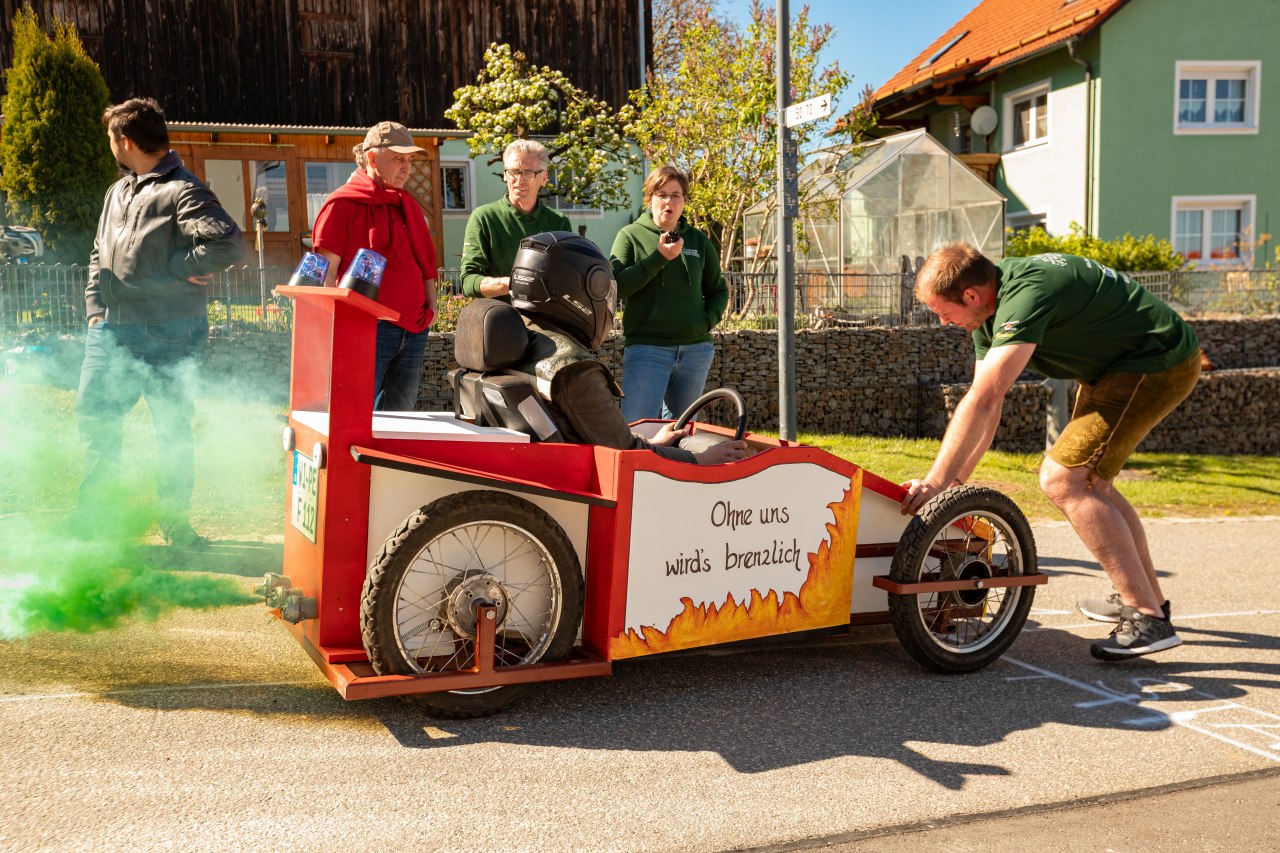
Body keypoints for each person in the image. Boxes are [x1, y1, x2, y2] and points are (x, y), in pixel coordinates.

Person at [901, 242, 1201, 661]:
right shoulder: (990, 311)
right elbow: (988, 403)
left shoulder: (1027, 295)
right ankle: (1147, 598)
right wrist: (953, 486)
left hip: (1155, 362)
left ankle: (1147, 617)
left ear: (971, 295)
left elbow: (984, 397)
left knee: (1066, 480)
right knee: (1095, 484)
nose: (942, 321)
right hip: (1116, 369)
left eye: (943, 311)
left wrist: (934, 482)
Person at [77, 97, 245, 548]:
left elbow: (228, 243)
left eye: (111, 138)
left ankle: (175, 525)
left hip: (169, 330)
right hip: (110, 329)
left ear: (125, 141)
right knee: (96, 419)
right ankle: (96, 522)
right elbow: (98, 253)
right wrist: (95, 309)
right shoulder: (119, 191)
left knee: (170, 428)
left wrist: (175, 266)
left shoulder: (183, 190)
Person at [504, 232, 745, 465]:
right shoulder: (574, 369)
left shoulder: (516, 344)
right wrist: (700, 459)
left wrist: (648, 441)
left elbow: (605, 438)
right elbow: (626, 454)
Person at [312, 121, 438, 410]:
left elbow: (425, 263)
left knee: (399, 423)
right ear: (372, 158)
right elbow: (325, 274)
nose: (407, 167)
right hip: (367, 331)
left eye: (409, 159)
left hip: (414, 328)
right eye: (398, 158)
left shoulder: (407, 204)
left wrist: (432, 310)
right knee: (354, 413)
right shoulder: (341, 205)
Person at [610, 165, 728, 422]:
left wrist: (705, 322)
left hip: (695, 351)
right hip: (647, 349)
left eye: (676, 195)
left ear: (684, 201)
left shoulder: (698, 240)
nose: (669, 202)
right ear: (650, 198)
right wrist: (659, 258)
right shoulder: (630, 236)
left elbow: (718, 290)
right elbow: (617, 286)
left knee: (683, 432)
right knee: (637, 427)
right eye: (662, 194)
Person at [460, 139, 571, 300]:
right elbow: (469, 282)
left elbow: (566, 278)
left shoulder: (559, 223)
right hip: (499, 318)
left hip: (546, 320)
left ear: (544, 178)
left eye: (528, 172)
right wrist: (515, 284)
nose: (519, 180)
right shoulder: (484, 218)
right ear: (505, 175)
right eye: (513, 171)